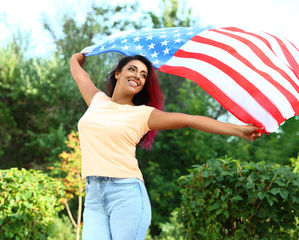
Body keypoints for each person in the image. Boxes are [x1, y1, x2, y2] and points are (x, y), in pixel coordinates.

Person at [70, 52, 262, 240]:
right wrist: (77, 57)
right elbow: (80, 74)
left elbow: (189, 120)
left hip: (125, 193)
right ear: (118, 73)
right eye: (132, 69)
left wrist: (238, 130)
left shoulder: (143, 114)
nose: (138, 75)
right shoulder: (97, 101)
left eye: (143, 74)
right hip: (93, 194)